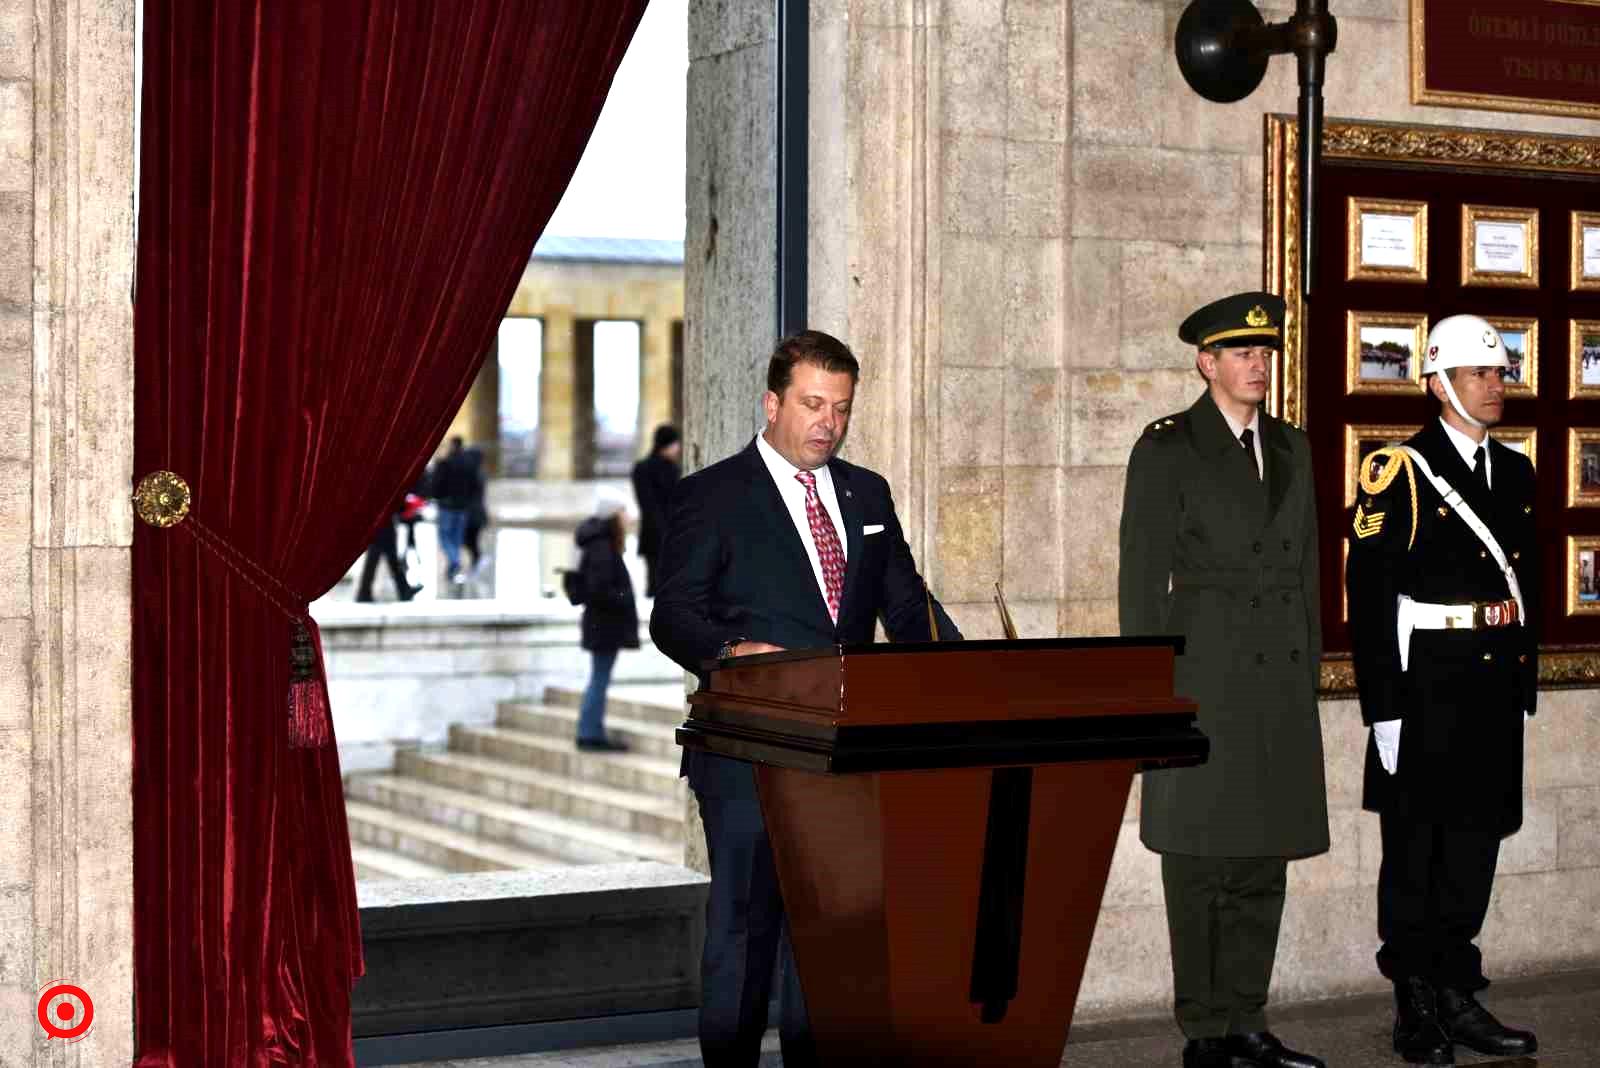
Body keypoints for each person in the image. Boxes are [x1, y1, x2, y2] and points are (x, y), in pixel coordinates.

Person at [650, 329, 960, 1068]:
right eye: (813, 404)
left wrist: (965, 672)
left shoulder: (867, 493)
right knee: (746, 931)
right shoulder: (710, 496)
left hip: (844, 755)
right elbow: (673, 613)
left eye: (841, 409)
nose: (828, 422)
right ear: (773, 402)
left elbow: (907, 607)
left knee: (831, 937)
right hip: (747, 754)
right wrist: (731, 653)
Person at [1118, 292, 1328, 1068]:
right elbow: (1140, 581)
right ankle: (1205, 1029)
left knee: (1262, 861)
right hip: (1201, 673)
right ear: (1206, 363)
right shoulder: (1169, 448)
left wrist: (1305, 673)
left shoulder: (1294, 447)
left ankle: (1248, 1017)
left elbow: (1307, 568)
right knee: (1201, 862)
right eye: (1241, 353)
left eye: (1265, 353)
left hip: (1276, 680)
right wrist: (1147, 697)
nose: (1257, 365)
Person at [1346, 314, 1539, 1065]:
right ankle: (1415, 1001)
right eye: (1480, 374)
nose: (1496, 386)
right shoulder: (1398, 472)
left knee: (1473, 850)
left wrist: (1522, 683)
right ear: (1439, 384)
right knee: (1416, 853)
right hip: (1425, 690)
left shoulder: (1516, 473)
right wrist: (1384, 710)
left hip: (1490, 690)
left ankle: (1458, 991)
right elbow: (1370, 601)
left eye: (1498, 373)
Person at [573, 495, 639, 752]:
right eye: (623, 512)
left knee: (599, 677)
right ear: (613, 515)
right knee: (599, 679)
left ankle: (591, 729)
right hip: (604, 625)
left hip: (600, 624)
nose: (627, 517)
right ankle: (589, 734)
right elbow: (600, 589)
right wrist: (624, 596)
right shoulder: (602, 546)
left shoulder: (599, 543)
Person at [631, 423, 683, 597]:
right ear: (667, 444)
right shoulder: (669, 469)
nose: (678, 449)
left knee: (655, 582)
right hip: (664, 533)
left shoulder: (642, 468)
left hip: (654, 533)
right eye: (676, 444)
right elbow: (653, 504)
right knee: (663, 584)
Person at [356, 493, 421, 603]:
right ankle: (364, 593)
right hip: (381, 523)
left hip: (379, 522)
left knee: (385, 559)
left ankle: (403, 590)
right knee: (379, 559)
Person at [428, 436, 476, 584]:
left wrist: (435, 496)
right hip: (462, 507)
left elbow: (436, 483)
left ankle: (454, 561)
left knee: (444, 537)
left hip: (447, 505)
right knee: (456, 538)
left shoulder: (445, 463)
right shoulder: (469, 463)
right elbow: (474, 484)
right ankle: (454, 563)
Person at [461, 445, 491, 580]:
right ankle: (477, 561)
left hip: (473, 513)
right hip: (477, 512)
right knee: (471, 539)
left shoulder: (475, 473)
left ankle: (478, 560)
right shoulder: (479, 471)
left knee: (469, 539)